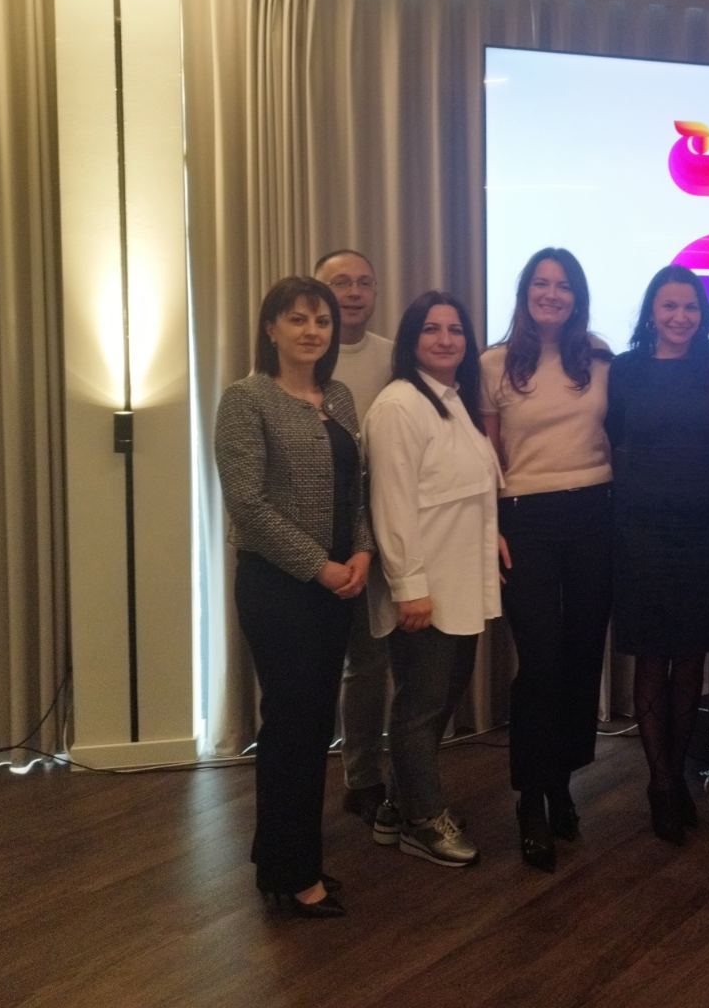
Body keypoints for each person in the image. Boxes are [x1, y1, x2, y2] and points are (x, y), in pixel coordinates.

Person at [214, 276, 373, 918]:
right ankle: (291, 874)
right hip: (278, 587)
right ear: (271, 328)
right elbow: (247, 507)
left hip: (337, 583)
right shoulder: (245, 399)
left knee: (313, 727)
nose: (312, 331)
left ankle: (287, 857)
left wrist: (361, 552)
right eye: (298, 319)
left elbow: (356, 492)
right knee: (291, 725)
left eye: (322, 321)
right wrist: (320, 567)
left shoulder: (339, 396)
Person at [480, 247, 614, 873]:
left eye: (563, 285)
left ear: (577, 296)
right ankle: (530, 798)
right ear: (525, 292)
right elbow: (488, 458)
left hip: (595, 513)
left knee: (583, 655)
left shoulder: (600, 357)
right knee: (539, 663)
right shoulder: (494, 363)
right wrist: (491, 526)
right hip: (525, 519)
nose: (552, 294)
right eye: (541, 283)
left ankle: (561, 782)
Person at [364, 291, 503, 869]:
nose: (446, 339)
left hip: (459, 579)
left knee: (440, 696)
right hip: (426, 587)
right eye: (431, 329)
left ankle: (397, 807)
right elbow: (391, 504)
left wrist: (491, 536)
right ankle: (423, 821)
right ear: (410, 340)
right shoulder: (399, 405)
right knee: (421, 706)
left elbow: (467, 487)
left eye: (455, 330)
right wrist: (408, 586)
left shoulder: (452, 400)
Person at [606, 266, 709, 845]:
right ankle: (660, 783)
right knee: (653, 659)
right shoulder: (625, 370)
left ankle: (677, 775)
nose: (680, 316)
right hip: (641, 532)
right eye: (669, 306)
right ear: (651, 312)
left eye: (690, 307)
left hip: (706, 533)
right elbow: (614, 436)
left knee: (691, 659)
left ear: (703, 314)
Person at [314, 248, 395, 827]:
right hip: (314, 538)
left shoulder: (394, 357)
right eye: (340, 282)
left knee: (369, 666)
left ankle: (362, 776)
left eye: (364, 282)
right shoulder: (299, 359)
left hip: (381, 531)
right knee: (312, 669)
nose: (353, 292)